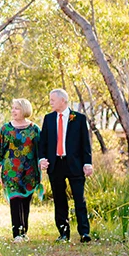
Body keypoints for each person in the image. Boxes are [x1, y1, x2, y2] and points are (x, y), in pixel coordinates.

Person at [37, 88, 93, 243]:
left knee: (79, 199)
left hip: (75, 164)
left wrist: (88, 163)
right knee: (60, 200)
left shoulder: (79, 118)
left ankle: (84, 233)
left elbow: (85, 143)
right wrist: (42, 159)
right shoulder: (48, 119)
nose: (50, 102)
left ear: (63, 101)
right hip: (56, 164)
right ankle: (63, 233)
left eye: (52, 100)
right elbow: (43, 143)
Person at [0, 98, 42, 241]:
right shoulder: (6, 129)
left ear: (25, 110)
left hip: (30, 172)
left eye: (17, 108)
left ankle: (23, 232)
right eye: (13, 108)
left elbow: (40, 152)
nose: (13, 111)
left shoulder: (34, 129)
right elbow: (0, 151)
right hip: (11, 172)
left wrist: (42, 169)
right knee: (14, 201)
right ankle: (17, 234)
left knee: (26, 202)